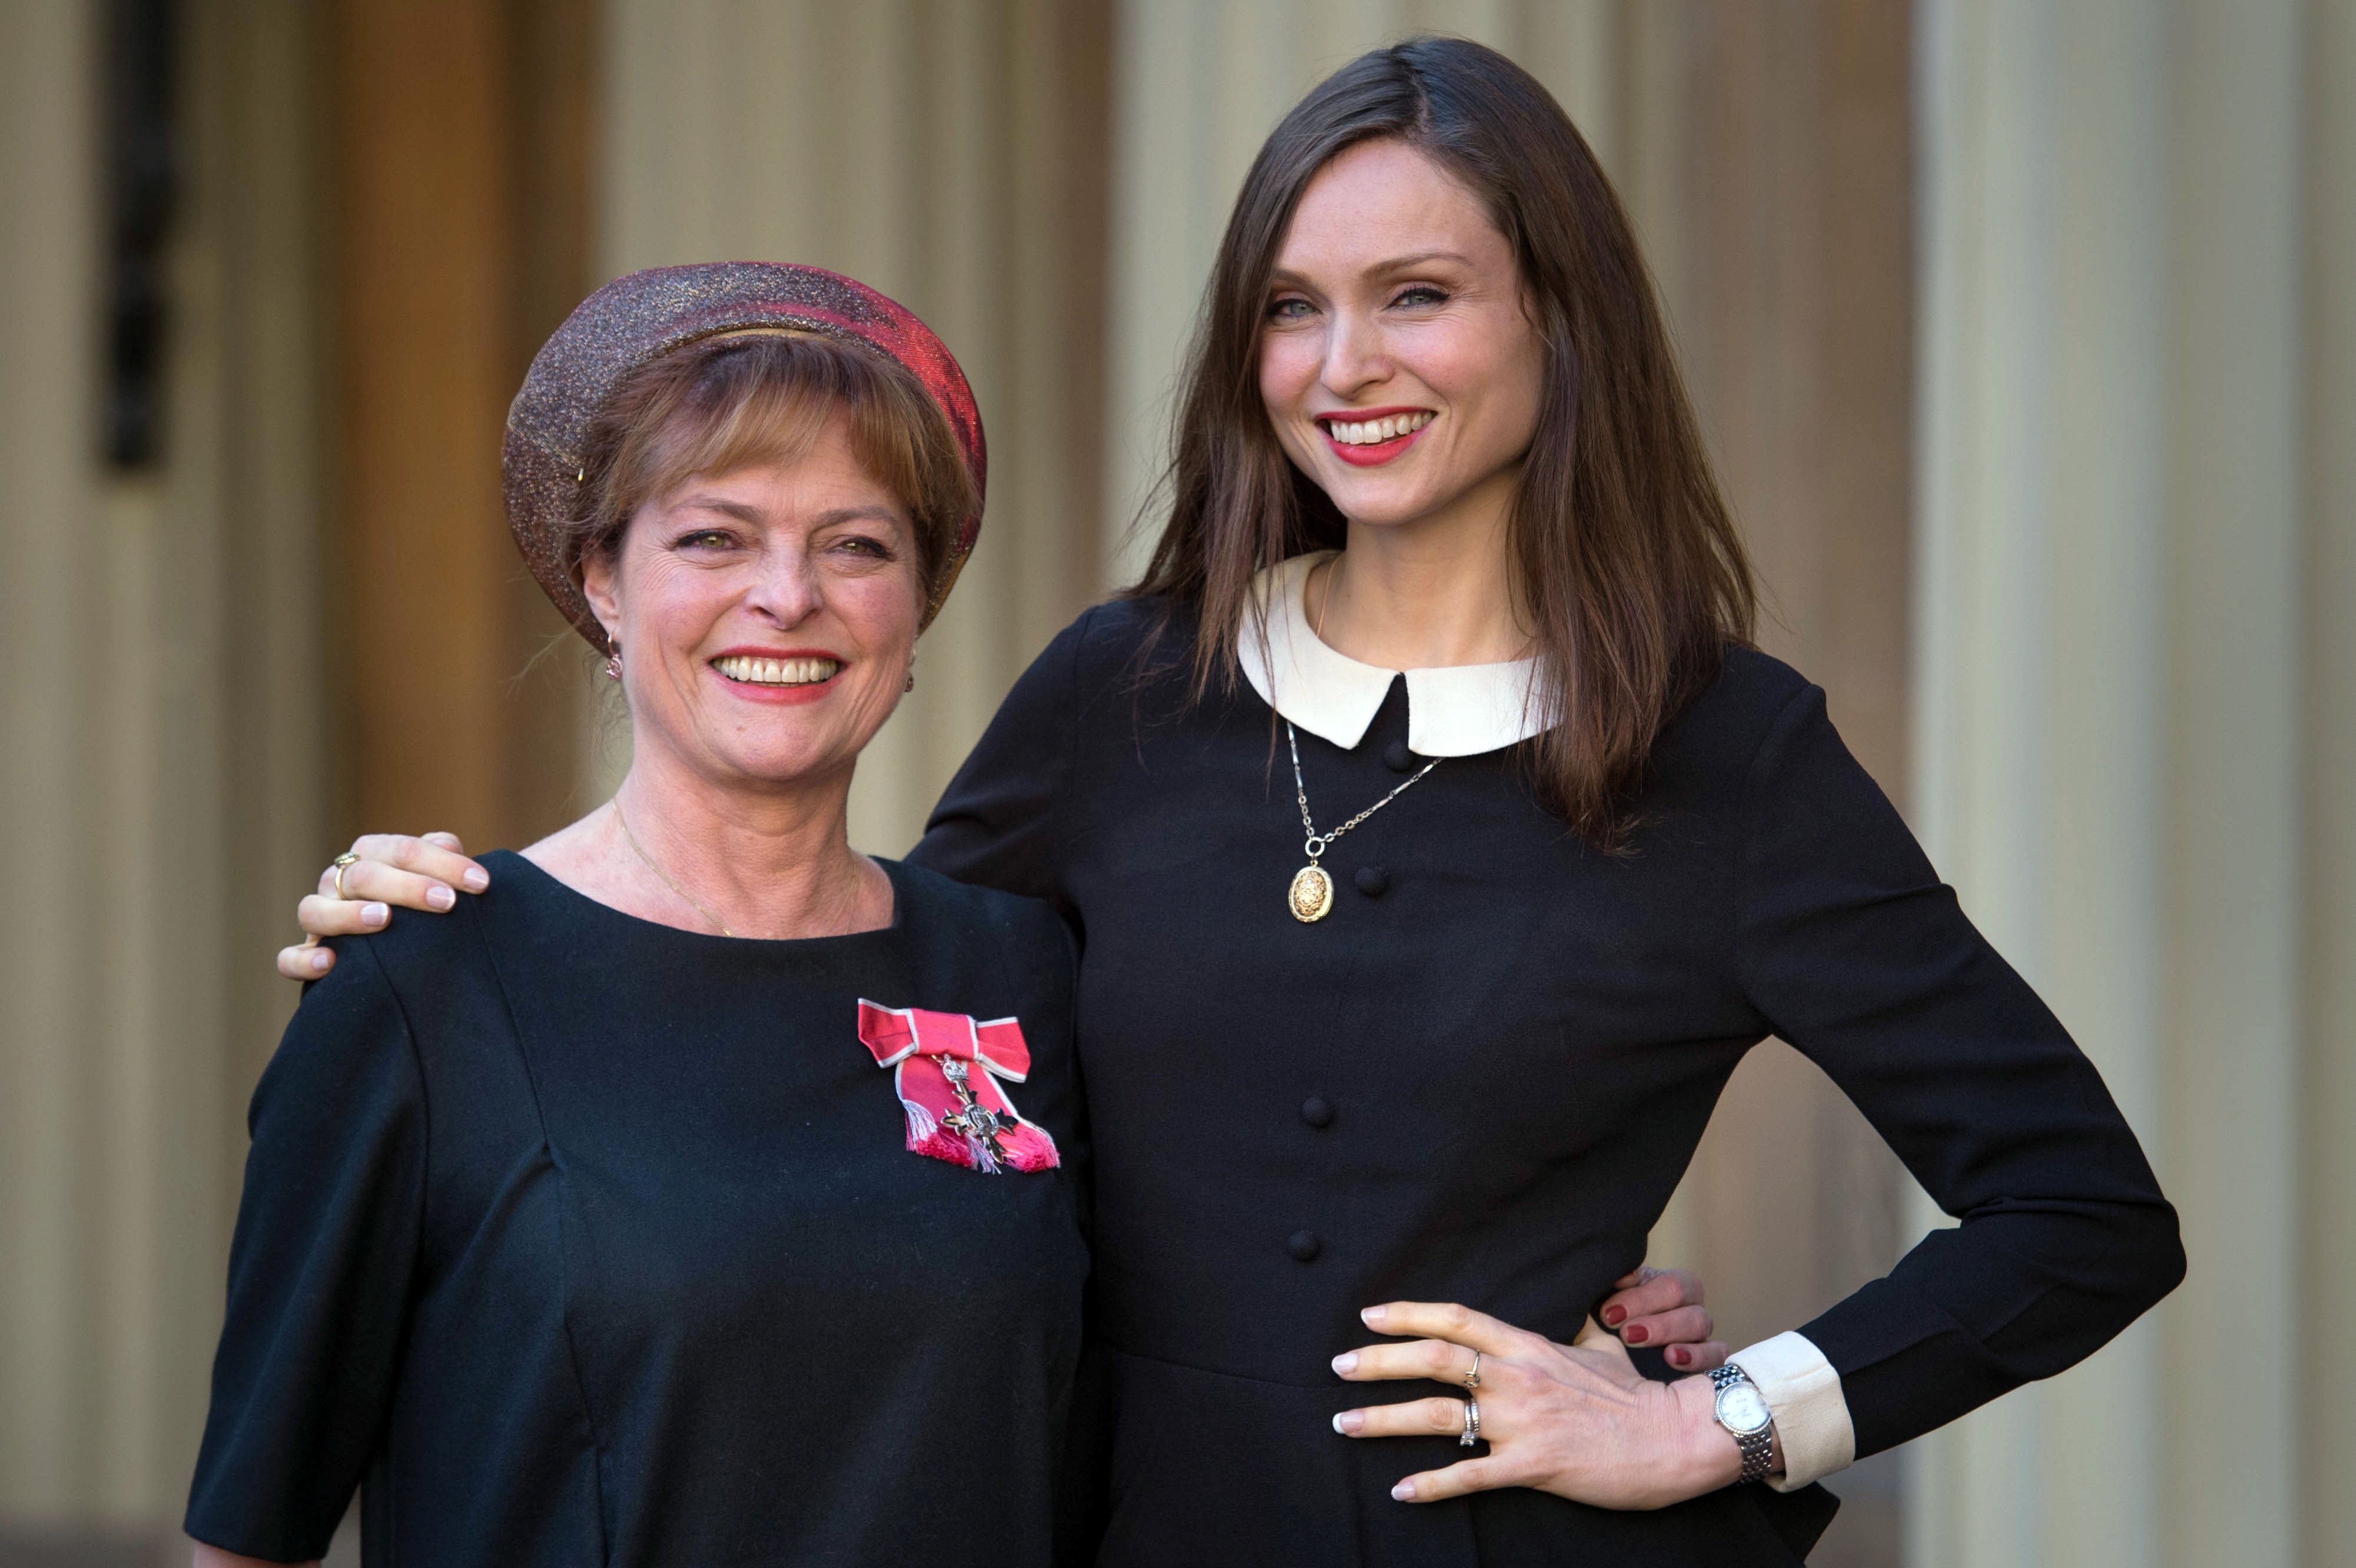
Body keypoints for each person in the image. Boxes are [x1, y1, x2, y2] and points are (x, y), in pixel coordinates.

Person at [274, 36, 2183, 1568]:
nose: (1344, 367)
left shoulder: (1733, 758)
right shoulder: (1126, 689)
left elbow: (2082, 1213)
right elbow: (859, 1044)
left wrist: (1713, 1413)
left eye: (1417, 295)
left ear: (1557, 321)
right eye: (1291, 307)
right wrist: (496, 919)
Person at [186, 265, 1097, 1567]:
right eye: (714, 537)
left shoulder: (1021, 972)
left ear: (915, 610)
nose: (788, 596)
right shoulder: (424, 986)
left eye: (856, 544)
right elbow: (250, 1538)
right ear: (602, 584)